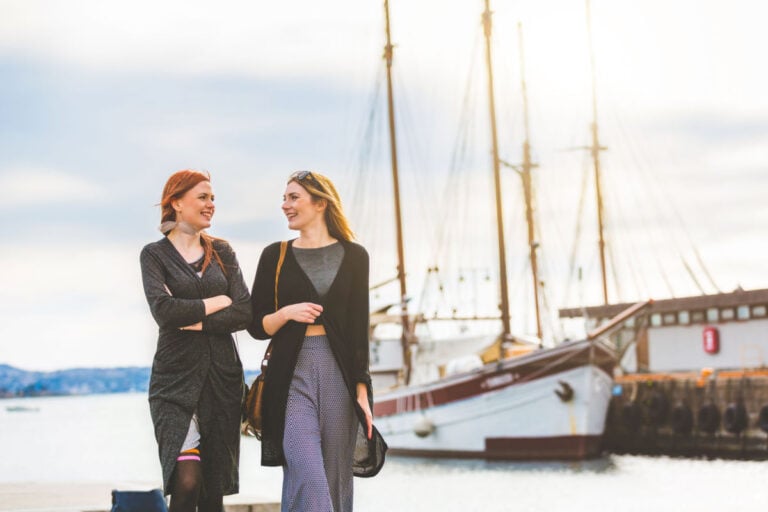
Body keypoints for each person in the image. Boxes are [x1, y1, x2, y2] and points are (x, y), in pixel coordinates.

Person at [248, 170, 386, 512]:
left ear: (320, 202)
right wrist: (287, 313)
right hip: (291, 373)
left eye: (293, 197)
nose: (285, 205)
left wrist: (363, 391)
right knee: (307, 474)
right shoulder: (274, 255)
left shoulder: (355, 256)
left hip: (340, 375)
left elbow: (358, 329)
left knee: (337, 479)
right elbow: (256, 324)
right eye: (285, 198)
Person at [140, 170, 252, 512]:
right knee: (187, 482)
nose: (211, 205)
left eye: (213, 198)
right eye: (203, 197)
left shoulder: (222, 251)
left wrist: (197, 322)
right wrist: (216, 302)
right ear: (176, 201)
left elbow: (245, 312)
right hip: (174, 382)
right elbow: (165, 311)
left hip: (222, 380)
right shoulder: (154, 255)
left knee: (212, 490)